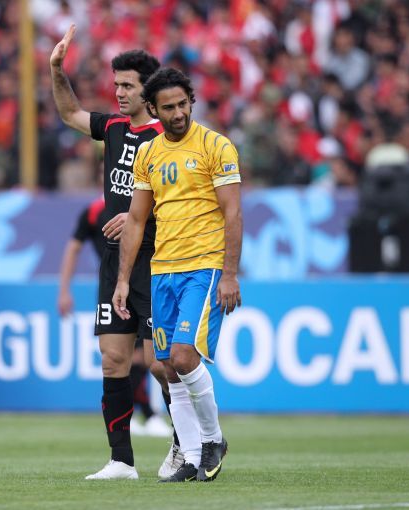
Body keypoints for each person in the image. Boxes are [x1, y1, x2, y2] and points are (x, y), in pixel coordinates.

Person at [51, 25, 185, 480]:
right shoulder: (111, 128)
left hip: (155, 262)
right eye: (117, 85)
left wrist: (135, 217)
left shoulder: (167, 139)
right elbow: (69, 112)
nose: (119, 92)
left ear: (148, 92)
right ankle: (121, 460)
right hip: (114, 265)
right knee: (113, 359)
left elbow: (181, 202)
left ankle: (186, 444)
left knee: (160, 364)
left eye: (127, 85)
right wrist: (57, 70)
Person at [113, 67, 243, 483]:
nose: (178, 113)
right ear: (153, 109)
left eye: (183, 104)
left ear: (192, 102)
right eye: (168, 108)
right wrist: (122, 279)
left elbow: (233, 212)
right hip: (162, 270)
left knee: (185, 357)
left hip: (203, 266)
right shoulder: (148, 154)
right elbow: (136, 220)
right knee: (167, 366)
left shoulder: (215, 146)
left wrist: (229, 274)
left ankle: (213, 440)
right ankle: (190, 456)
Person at [57, 194, 172, 439]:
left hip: (148, 280)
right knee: (122, 359)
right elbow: (73, 247)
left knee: (152, 362)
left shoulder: (147, 199)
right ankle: (148, 417)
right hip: (115, 286)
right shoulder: (93, 211)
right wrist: (64, 290)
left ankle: (162, 421)